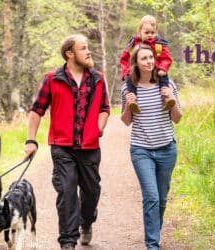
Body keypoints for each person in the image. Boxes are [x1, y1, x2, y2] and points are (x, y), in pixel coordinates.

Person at [24, 34, 110, 250]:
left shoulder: (98, 78)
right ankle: (68, 242)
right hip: (62, 147)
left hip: (90, 147)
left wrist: (99, 127)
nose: (88, 51)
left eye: (88, 47)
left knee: (91, 192)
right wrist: (31, 140)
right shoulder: (52, 79)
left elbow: (105, 108)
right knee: (67, 192)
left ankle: (87, 222)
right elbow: (37, 111)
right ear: (69, 54)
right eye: (83, 48)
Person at [121, 44, 182, 250]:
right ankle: (152, 245)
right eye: (144, 58)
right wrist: (129, 104)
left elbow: (178, 118)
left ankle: (155, 230)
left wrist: (172, 100)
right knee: (152, 197)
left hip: (167, 148)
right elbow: (126, 121)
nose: (149, 61)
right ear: (136, 64)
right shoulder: (129, 88)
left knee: (162, 199)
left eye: (150, 58)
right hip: (141, 150)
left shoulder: (167, 85)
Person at [120, 15, 175, 113]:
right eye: (147, 32)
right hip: (137, 71)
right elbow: (125, 58)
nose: (150, 35)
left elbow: (166, 58)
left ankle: (166, 99)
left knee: (164, 78)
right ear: (140, 31)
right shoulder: (134, 44)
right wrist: (125, 71)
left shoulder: (158, 44)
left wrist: (163, 68)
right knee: (130, 79)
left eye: (152, 32)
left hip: (157, 69)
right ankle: (133, 102)